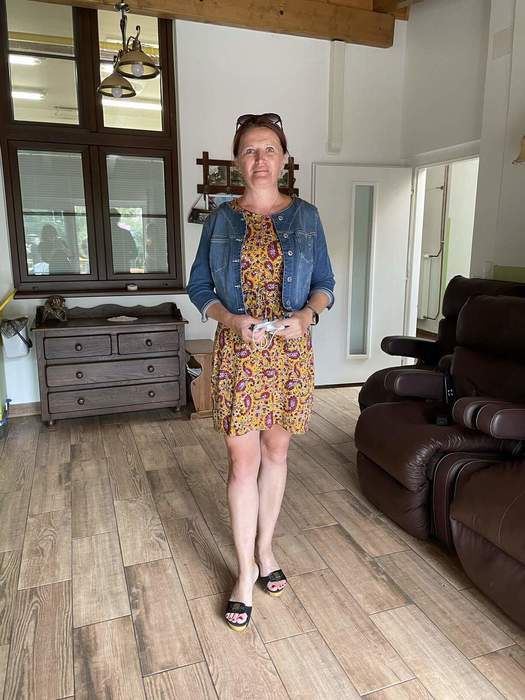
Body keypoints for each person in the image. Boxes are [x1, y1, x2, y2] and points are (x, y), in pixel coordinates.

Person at [187, 113, 335, 632]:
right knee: (241, 462)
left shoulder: (307, 217)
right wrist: (230, 320)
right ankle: (245, 570)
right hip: (239, 351)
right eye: (250, 150)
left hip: (289, 353)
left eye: (269, 149)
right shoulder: (220, 220)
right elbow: (199, 287)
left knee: (276, 454)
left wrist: (307, 316)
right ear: (237, 161)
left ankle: (266, 548)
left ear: (284, 158)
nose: (260, 159)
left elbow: (325, 284)